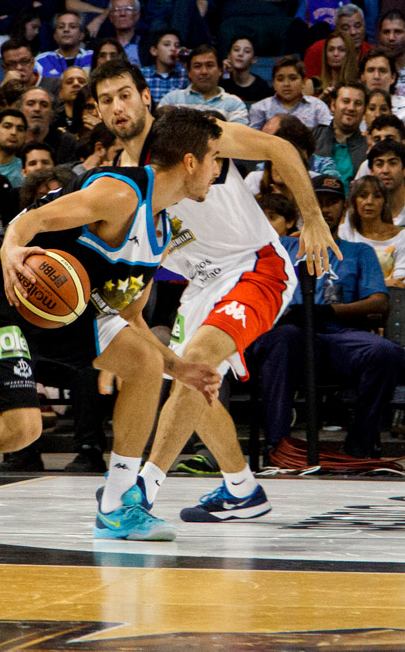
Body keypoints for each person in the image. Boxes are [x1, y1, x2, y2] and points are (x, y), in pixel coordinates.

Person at [0, 103, 225, 531]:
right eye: (215, 159)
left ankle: (117, 504)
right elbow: (33, 217)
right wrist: (12, 250)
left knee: (146, 362)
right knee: (21, 429)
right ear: (191, 161)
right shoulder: (122, 193)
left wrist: (179, 367)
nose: (218, 170)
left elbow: (132, 318)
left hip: (65, 310)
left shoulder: (161, 231)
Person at [108, 58, 339, 526]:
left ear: (145, 96)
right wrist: (121, 316)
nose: (118, 106)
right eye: (106, 99)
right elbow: (144, 254)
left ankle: (143, 489)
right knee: (193, 382)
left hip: (255, 264)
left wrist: (312, 217)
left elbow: (279, 149)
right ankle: (242, 489)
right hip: (201, 284)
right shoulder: (124, 174)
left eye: (125, 94)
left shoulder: (194, 128)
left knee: (197, 360)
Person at [252, 173, 405, 457]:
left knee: (386, 353)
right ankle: (279, 446)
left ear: (344, 207)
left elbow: (380, 302)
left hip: (337, 337)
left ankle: (360, 446)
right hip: (290, 336)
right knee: (284, 337)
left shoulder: (359, 251)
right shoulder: (282, 248)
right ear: (303, 207)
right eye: (317, 201)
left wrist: (328, 310)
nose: (324, 208)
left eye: (332, 202)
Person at [339, 173, 405, 289]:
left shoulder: (404, 236)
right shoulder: (344, 234)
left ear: (385, 202)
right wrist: (383, 284)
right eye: (363, 196)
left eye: (377, 196)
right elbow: (344, 279)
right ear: (354, 201)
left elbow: (401, 281)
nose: (369, 202)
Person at [359, 138, 405, 241]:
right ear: (371, 171)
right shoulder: (361, 204)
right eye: (379, 164)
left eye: (392, 163)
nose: (385, 170)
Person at [159, 44, 249, 124]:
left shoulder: (234, 104)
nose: (204, 71)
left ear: (220, 70)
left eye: (209, 65)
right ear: (189, 72)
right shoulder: (171, 100)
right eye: (197, 66)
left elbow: (237, 139)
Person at [361, 49, 405, 151]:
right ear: (362, 76)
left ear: (393, 77)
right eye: (371, 70)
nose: (376, 76)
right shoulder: (355, 106)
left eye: (383, 71)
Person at [249, 55, 331, 130]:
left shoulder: (318, 107)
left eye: (293, 78)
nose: (286, 84)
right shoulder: (260, 109)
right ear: (274, 84)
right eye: (280, 79)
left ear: (303, 82)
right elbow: (253, 140)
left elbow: (326, 137)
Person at [313, 80, 368, 185]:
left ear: (364, 111)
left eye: (358, 103)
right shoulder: (313, 136)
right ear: (333, 105)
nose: (351, 108)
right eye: (346, 101)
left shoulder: (368, 148)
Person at [304, 3, 368, 78]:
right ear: (336, 30)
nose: (353, 32)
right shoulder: (317, 50)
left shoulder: (371, 51)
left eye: (358, 26)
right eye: (345, 28)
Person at [34, 12, 93, 89]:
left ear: (81, 35)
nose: (66, 30)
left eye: (72, 26)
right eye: (61, 27)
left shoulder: (93, 57)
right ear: (54, 36)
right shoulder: (42, 60)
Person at [21, 86, 77, 164]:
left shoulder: (67, 142)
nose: (37, 109)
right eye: (31, 104)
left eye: (44, 105)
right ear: (20, 109)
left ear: (52, 113)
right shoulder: (14, 140)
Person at [220, 36, 273, 103]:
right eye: (236, 50)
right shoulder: (223, 81)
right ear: (229, 56)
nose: (240, 54)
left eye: (247, 51)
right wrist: (223, 72)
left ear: (254, 60)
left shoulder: (261, 87)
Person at [141, 29, 188, 105]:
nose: (173, 49)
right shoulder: (143, 74)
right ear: (154, 51)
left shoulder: (185, 74)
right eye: (167, 44)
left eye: (176, 46)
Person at [0, 107, 27, 188]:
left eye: (20, 129)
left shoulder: (25, 170)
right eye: (7, 126)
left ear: (25, 137)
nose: (14, 132)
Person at [309, 30, 352, 96]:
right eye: (331, 49)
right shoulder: (313, 84)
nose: (335, 54)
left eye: (341, 50)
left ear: (349, 54)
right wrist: (321, 100)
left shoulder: (358, 83)